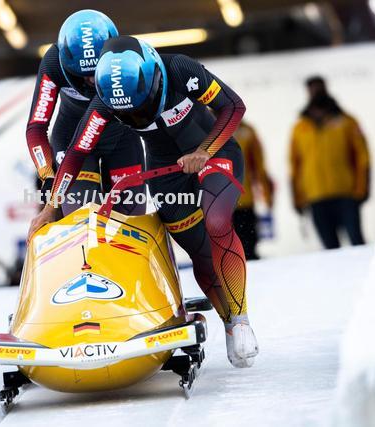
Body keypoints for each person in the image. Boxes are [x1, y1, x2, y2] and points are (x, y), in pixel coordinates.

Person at [30, 36, 258, 368]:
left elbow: (233, 107)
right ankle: (227, 319)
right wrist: (50, 206)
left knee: (217, 222)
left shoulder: (181, 70)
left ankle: (241, 319)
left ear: (152, 81)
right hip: (167, 170)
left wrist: (204, 151)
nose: (136, 115)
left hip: (214, 152)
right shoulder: (104, 105)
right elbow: (76, 154)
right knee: (198, 249)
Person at [25, 9, 145, 216]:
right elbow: (36, 127)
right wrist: (47, 174)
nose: (91, 80)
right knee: (80, 216)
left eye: (97, 71)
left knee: (129, 219)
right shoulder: (53, 63)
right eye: (83, 75)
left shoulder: (128, 61)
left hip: (120, 139)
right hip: (72, 139)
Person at [290, 78, 370, 249]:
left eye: (319, 88)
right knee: (330, 250)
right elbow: (295, 165)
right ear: (307, 92)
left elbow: (362, 157)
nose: (317, 92)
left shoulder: (347, 121)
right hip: (316, 197)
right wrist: (297, 197)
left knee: (357, 243)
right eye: (313, 89)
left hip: (346, 194)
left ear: (326, 89)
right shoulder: (300, 127)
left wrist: (362, 188)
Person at [233, 122, 274, 260]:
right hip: (215, 201)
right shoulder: (203, 127)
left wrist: (268, 195)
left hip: (244, 198)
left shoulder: (247, 131)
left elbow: (258, 165)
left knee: (248, 242)